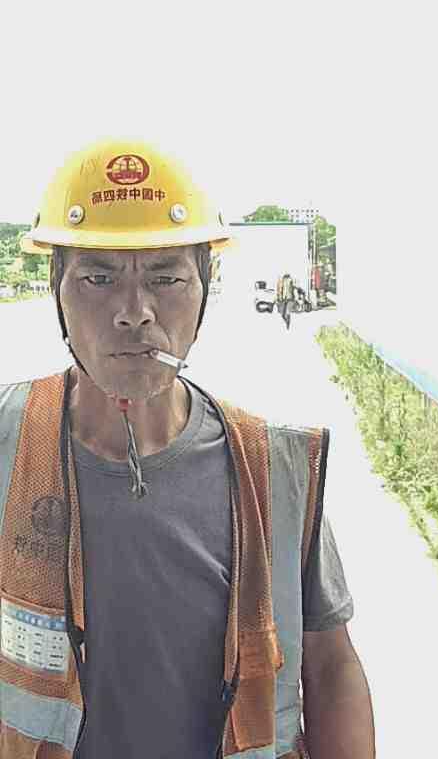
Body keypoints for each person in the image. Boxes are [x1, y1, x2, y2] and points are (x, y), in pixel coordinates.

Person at [0, 137, 375, 759]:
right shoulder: (8, 442)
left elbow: (331, 663)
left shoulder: (276, 467)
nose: (134, 313)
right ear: (56, 288)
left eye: (166, 277)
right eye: (97, 278)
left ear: (204, 286)